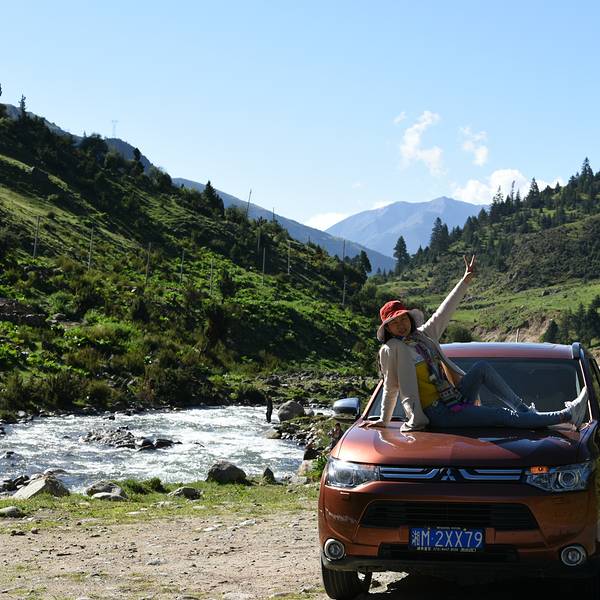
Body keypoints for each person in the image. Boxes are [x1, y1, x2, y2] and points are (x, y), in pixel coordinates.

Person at [366, 255, 588, 431]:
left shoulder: (423, 337)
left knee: (482, 368)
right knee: (501, 415)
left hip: (453, 399)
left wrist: (465, 280)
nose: (401, 325)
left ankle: (527, 413)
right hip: (438, 412)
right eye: (394, 323)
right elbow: (390, 386)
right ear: (388, 329)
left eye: (403, 319)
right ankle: (567, 416)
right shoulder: (392, 350)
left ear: (410, 319)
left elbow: (443, 312)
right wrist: (384, 420)